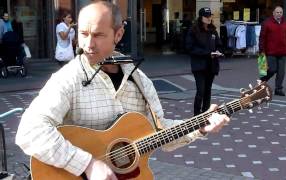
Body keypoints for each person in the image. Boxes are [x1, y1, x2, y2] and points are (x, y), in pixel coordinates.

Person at [15, 2, 229, 179]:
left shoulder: (140, 81)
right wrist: (87, 164)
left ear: (118, 34)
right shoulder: (68, 79)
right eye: (83, 33)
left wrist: (201, 126)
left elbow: (160, 132)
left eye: (98, 35)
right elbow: (29, 131)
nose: (88, 44)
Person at [185, 7, 223, 116]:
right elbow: (189, 48)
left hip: (211, 65)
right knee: (200, 91)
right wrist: (207, 53)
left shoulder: (213, 30)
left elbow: (219, 44)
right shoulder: (193, 30)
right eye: (206, 16)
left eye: (210, 16)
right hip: (199, 66)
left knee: (208, 91)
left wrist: (218, 51)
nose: (209, 18)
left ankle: (206, 114)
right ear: (201, 17)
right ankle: (196, 115)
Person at [259, 6, 286, 96]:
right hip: (271, 52)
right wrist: (261, 50)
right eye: (277, 12)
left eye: (281, 12)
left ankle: (278, 89)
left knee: (281, 72)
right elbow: (262, 38)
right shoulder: (267, 23)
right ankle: (262, 80)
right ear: (273, 13)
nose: (279, 14)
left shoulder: (285, 24)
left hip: (283, 52)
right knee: (272, 69)